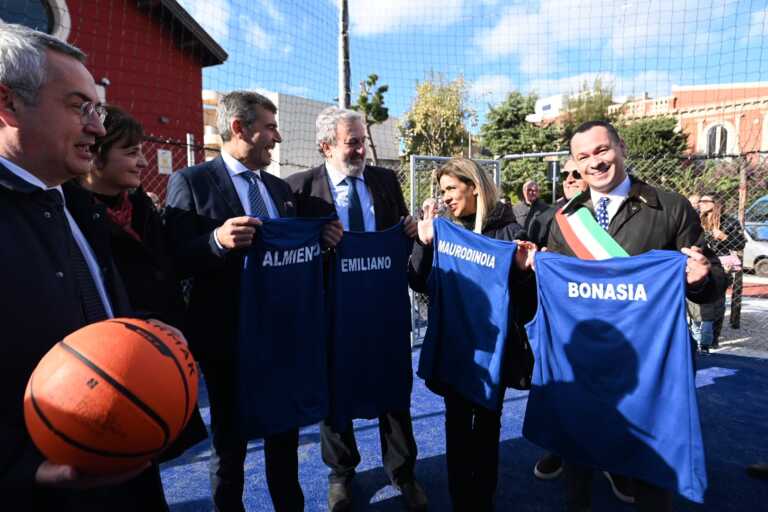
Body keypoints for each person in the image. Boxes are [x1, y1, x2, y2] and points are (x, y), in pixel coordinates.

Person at [0, 23, 174, 510]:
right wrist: (19, 468)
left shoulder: (78, 205)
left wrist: (141, 334)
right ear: (7, 104)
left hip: (124, 466)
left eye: (96, 110)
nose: (97, 128)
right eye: (80, 107)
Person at [546, 120, 725, 512]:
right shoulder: (565, 217)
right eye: (583, 156)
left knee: (652, 462)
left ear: (621, 147)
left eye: (602, 150)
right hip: (587, 359)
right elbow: (556, 285)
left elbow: (711, 277)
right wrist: (532, 270)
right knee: (579, 455)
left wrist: (700, 278)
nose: (594, 162)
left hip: (650, 362)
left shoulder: (670, 206)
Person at [165, 91, 305, 512]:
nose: (277, 137)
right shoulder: (191, 181)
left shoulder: (280, 189)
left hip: (280, 334)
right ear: (239, 128)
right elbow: (173, 259)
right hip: (227, 338)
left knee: (285, 435)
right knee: (230, 443)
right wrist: (216, 240)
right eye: (270, 127)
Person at [286, 106, 425, 512]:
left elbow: (401, 231)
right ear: (326, 146)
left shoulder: (384, 181)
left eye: (363, 141)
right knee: (334, 394)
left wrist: (411, 229)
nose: (362, 149)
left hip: (383, 308)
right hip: (330, 312)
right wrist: (316, 243)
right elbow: (291, 255)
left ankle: (403, 472)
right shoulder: (299, 189)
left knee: (393, 388)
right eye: (353, 142)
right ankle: (341, 474)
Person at [80, 105, 207, 459]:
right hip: (115, 368)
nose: (143, 162)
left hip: (164, 356)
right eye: (131, 152)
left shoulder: (141, 207)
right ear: (95, 156)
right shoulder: (71, 215)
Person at [409, 157, 534, 511]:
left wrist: (524, 272)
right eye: (443, 190)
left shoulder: (510, 233)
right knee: (457, 425)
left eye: (452, 188)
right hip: (455, 347)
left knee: (489, 426)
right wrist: (423, 243)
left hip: (494, 351)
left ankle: (483, 499)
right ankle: (461, 500)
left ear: (475, 187)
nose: (446, 197)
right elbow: (418, 281)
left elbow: (526, 304)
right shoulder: (445, 230)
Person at [696, 192, 746, 350]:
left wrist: (724, 237)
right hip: (698, 263)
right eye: (700, 201)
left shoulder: (730, 222)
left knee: (717, 301)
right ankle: (697, 335)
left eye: (705, 201)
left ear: (716, 204)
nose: (701, 203)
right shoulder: (696, 220)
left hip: (721, 266)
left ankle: (713, 338)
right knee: (695, 299)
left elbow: (741, 243)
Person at [527, 159, 588, 247]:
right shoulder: (546, 218)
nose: (569, 180)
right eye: (565, 175)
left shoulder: (602, 211)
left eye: (577, 174)